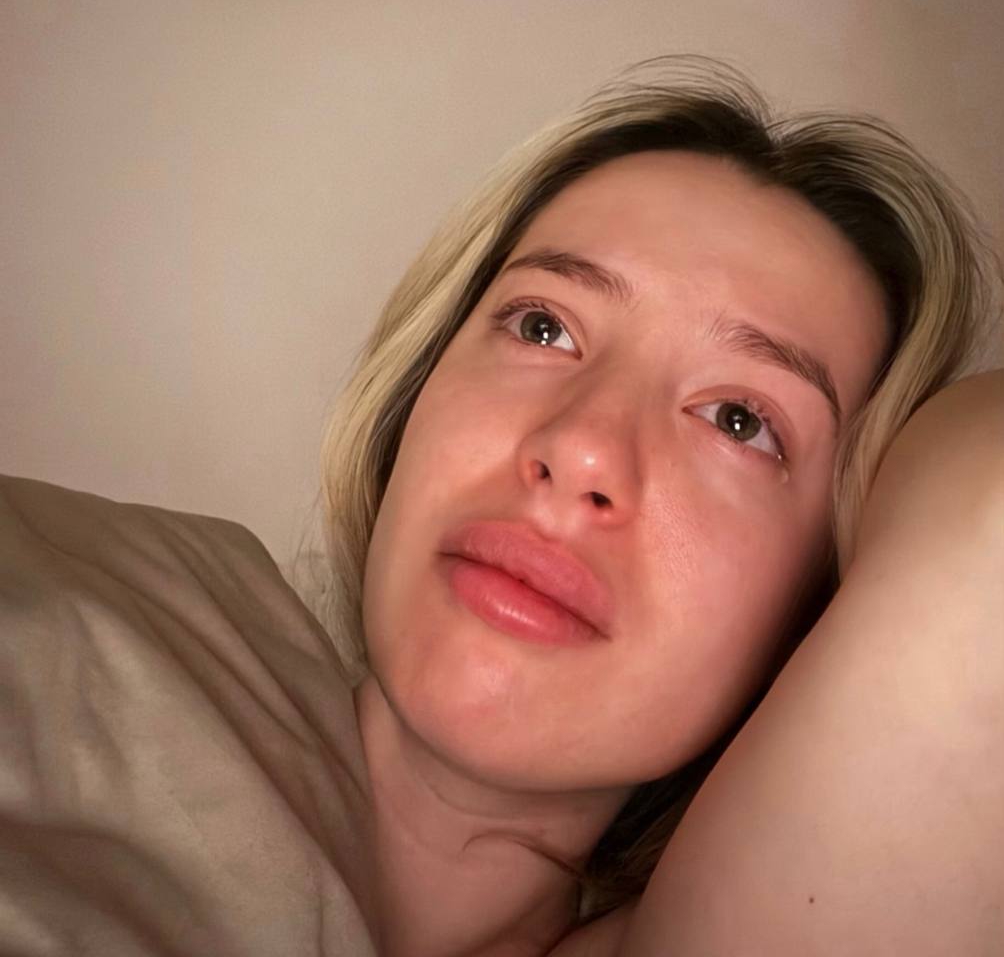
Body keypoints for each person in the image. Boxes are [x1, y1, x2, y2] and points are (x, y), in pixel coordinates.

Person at [1, 59, 1001, 957]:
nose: (581, 446)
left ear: (819, 610)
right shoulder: (85, 604)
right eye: (542, 326)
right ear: (412, 396)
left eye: (740, 420)